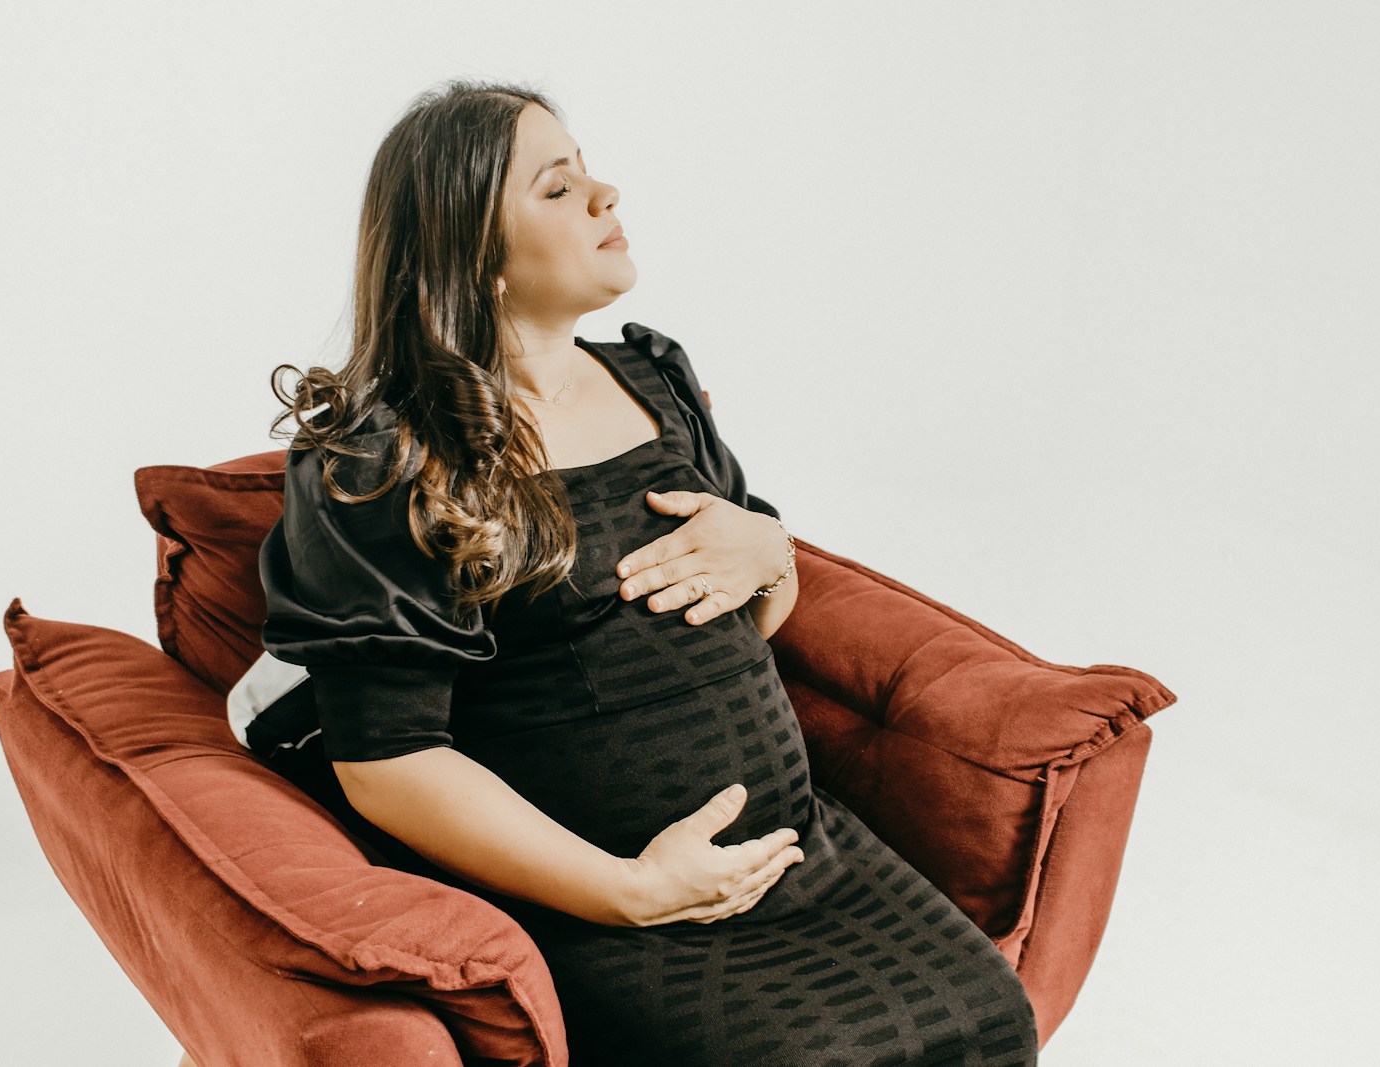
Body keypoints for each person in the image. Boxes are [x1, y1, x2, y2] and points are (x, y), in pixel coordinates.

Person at [243, 78, 1039, 1066]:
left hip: (796, 846)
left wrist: (768, 547)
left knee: (993, 1016)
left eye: (591, 173)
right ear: (471, 254)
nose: (606, 194)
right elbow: (390, 761)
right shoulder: (381, 464)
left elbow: (747, 602)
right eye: (557, 188)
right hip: (601, 893)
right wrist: (624, 888)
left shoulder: (652, 376)